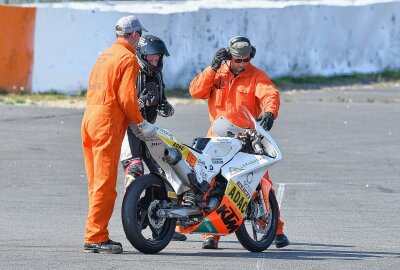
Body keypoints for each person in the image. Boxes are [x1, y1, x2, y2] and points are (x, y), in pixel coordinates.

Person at [189, 36, 290, 249]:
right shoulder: (217, 72)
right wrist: (212, 67)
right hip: (218, 139)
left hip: (247, 139)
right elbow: (195, 91)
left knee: (263, 184)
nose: (242, 64)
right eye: (238, 60)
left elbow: (270, 94)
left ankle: (276, 230)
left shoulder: (257, 75)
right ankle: (211, 234)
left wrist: (270, 112)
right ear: (229, 57)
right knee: (212, 186)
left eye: (246, 60)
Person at [81, 15, 157, 254]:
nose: (140, 39)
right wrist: (140, 122)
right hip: (106, 122)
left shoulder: (104, 55)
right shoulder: (128, 58)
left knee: (96, 182)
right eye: (140, 35)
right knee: (105, 184)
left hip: (90, 118)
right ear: (133, 34)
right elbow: (126, 98)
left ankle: (95, 233)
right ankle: (95, 237)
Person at [119, 34, 187, 241]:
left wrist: (165, 106)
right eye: (151, 58)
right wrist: (140, 103)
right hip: (129, 131)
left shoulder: (157, 75)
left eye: (157, 58)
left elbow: (162, 100)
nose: (155, 61)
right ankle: (131, 219)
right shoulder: (132, 71)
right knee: (135, 171)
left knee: (165, 173)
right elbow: (122, 102)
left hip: (148, 132)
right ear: (141, 55)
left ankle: (167, 224)